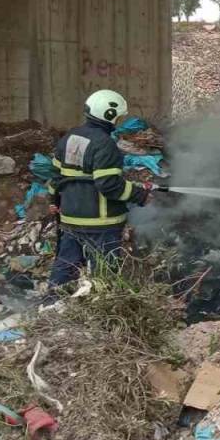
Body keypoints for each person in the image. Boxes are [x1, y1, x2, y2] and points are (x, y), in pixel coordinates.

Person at [47, 89, 152, 291]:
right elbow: (109, 184)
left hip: (70, 218)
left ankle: (50, 305)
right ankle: (98, 312)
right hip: (101, 223)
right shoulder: (105, 144)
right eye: (118, 117)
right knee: (103, 275)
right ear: (109, 115)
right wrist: (141, 195)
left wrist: (54, 202)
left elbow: (56, 178)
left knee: (65, 267)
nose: (118, 121)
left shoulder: (69, 137)